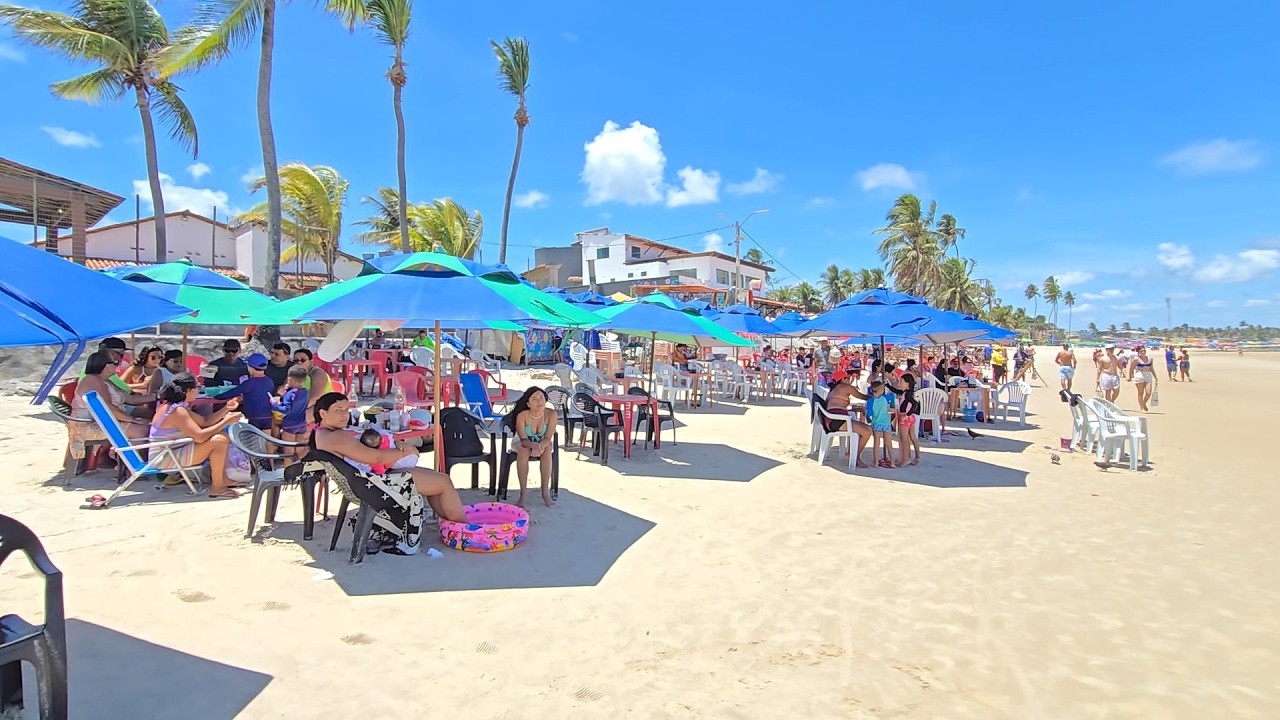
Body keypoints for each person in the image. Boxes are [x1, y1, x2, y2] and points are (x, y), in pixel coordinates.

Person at [310, 392, 467, 555]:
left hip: (364, 481)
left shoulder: (322, 433)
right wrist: (406, 452)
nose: (344, 415)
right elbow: (375, 457)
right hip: (375, 484)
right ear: (323, 413)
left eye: (346, 410)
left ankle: (451, 524)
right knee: (443, 483)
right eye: (338, 410)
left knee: (437, 482)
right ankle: (464, 529)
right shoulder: (337, 437)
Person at [149, 372, 246, 498]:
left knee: (220, 438)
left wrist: (226, 408)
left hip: (172, 451)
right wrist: (225, 422)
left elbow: (205, 422)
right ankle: (217, 487)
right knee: (219, 440)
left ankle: (222, 480)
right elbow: (199, 437)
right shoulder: (177, 411)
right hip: (165, 457)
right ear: (189, 391)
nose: (198, 390)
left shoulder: (173, 407)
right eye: (197, 387)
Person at [75, 351, 149, 441]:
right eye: (115, 363)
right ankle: (132, 454)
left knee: (147, 422)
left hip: (102, 420)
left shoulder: (103, 380)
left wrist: (157, 397)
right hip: (91, 424)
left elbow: (129, 398)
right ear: (106, 366)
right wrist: (133, 420)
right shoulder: (94, 381)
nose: (117, 366)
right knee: (145, 432)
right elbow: (108, 408)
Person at [508, 386, 558, 508]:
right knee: (523, 450)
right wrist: (534, 446)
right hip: (521, 441)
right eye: (534, 399)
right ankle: (523, 493)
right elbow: (523, 439)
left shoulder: (551, 414)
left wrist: (539, 446)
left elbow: (548, 437)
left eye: (541, 398)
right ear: (528, 403)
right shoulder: (523, 415)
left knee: (548, 448)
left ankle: (545, 491)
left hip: (542, 442)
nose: (539, 401)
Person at [84, 337, 156, 417]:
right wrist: (132, 420)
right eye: (121, 355)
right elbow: (110, 406)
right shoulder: (98, 375)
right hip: (108, 414)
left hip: (118, 407)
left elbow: (126, 396)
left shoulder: (100, 374)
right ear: (111, 353)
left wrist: (158, 396)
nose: (120, 360)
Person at [820, 375, 873, 468]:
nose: (850, 380)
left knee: (864, 429)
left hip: (831, 420)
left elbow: (838, 405)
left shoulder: (835, 389)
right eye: (848, 378)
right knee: (867, 431)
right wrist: (878, 396)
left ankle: (852, 454)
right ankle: (854, 456)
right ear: (842, 379)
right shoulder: (845, 387)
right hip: (838, 420)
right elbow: (862, 396)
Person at [217, 353, 275, 430]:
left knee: (253, 437)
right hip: (268, 414)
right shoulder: (269, 381)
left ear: (249, 367)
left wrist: (217, 397)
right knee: (267, 437)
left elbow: (234, 392)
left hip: (254, 415)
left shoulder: (249, 383)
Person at [272, 365, 311, 462]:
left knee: (288, 451)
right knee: (300, 449)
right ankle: (305, 470)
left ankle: (288, 473)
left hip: (290, 425)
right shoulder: (305, 392)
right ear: (305, 380)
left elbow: (287, 410)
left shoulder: (289, 394)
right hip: (302, 423)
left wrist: (274, 405)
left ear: (290, 379)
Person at [292, 348, 333, 414]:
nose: (299, 363)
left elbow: (316, 396)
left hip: (319, 407)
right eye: (296, 361)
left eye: (303, 360)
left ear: (311, 362)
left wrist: (298, 409)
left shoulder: (318, 373)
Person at [866, 380, 896, 469]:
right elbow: (893, 395)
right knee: (888, 443)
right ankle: (892, 462)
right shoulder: (885, 398)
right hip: (886, 423)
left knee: (876, 443)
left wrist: (868, 420)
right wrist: (893, 405)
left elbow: (869, 414)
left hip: (876, 423)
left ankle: (876, 462)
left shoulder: (870, 401)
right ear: (882, 391)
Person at [897, 373, 921, 466]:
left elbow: (915, 404)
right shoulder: (907, 393)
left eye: (901, 382)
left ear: (908, 384)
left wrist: (907, 414)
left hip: (905, 417)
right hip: (911, 418)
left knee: (904, 439)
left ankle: (906, 459)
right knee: (912, 437)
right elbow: (895, 390)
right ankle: (917, 456)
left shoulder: (908, 394)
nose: (900, 384)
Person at [1127, 346, 1158, 412]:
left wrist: (1156, 377)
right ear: (1138, 352)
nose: (1143, 352)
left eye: (1144, 351)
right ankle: (1142, 408)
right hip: (1139, 375)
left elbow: (1152, 369)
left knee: (1148, 393)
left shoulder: (1150, 359)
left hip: (1148, 375)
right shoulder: (1136, 359)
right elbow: (1131, 368)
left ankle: (1143, 403)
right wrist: (1129, 376)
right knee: (1140, 393)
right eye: (1141, 351)